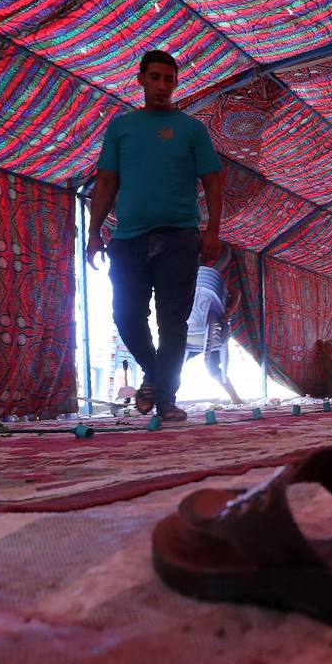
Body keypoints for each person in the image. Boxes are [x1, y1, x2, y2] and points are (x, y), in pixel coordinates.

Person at [85, 50, 223, 422]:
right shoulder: (121, 127)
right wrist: (95, 233)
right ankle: (156, 375)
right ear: (142, 80)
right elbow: (107, 181)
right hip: (128, 238)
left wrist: (212, 231)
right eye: (156, 77)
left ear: (175, 84)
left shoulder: (192, 130)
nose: (163, 85)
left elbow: (212, 178)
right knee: (125, 315)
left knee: (172, 321)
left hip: (179, 237)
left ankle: (166, 400)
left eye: (169, 79)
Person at [183, 264, 242, 404]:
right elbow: (236, 293)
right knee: (212, 365)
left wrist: (228, 312)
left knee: (210, 365)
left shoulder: (214, 280)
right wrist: (228, 312)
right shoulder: (196, 275)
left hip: (202, 332)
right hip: (202, 333)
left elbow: (235, 292)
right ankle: (236, 398)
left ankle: (235, 398)